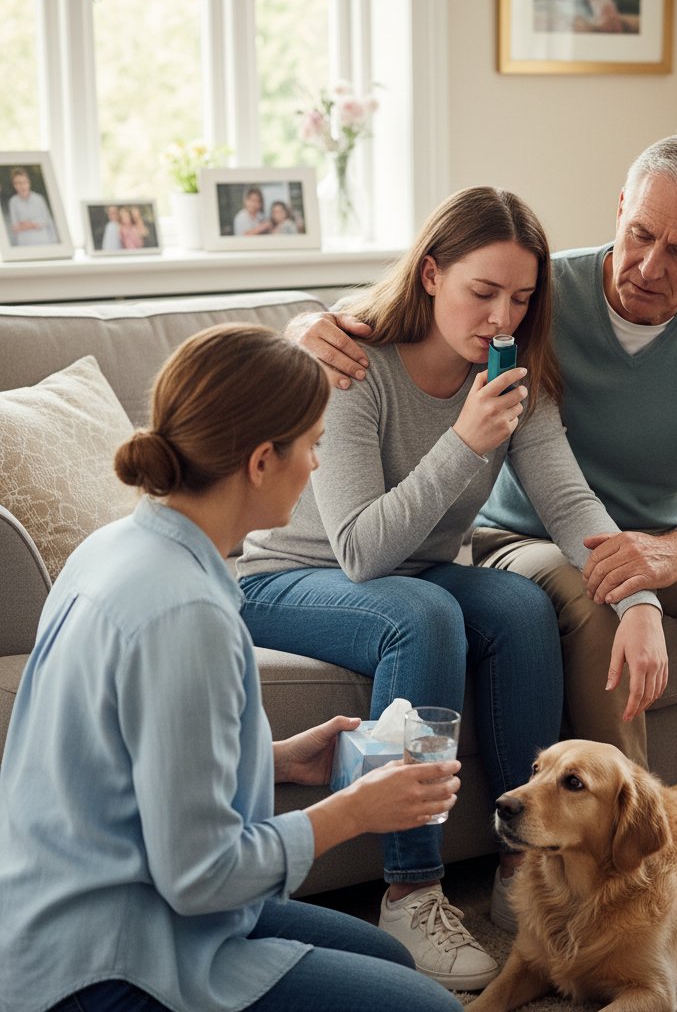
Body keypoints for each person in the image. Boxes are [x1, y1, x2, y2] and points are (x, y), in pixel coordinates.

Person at [286, 134, 677, 776]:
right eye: (640, 234)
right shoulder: (539, 296)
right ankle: (615, 860)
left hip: (664, 537)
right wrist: (304, 330)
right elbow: (393, 324)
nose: (649, 266)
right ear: (619, 211)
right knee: (590, 594)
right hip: (534, 537)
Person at [236, 186, 667, 990]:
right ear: (431, 274)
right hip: (283, 577)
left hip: (411, 572)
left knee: (522, 604)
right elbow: (362, 550)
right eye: (482, 291)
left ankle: (520, 868)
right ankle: (411, 889)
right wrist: (466, 441)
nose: (502, 317)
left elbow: (570, 503)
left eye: (521, 298)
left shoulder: (513, 376)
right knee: (425, 614)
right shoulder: (354, 368)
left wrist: (639, 599)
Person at [0, 323, 463, 1012]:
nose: (316, 465)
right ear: (261, 462)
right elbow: (201, 877)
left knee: (390, 958)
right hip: (105, 956)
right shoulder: (186, 613)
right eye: (312, 445)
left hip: (65, 906)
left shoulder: (112, 547)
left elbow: (123, 759)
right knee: (430, 1009)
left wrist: (274, 760)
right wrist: (352, 811)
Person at [6, 166, 58, 245]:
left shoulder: (39, 199)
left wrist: (26, 224)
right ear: (15, 185)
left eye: (24, 182)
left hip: (43, 242)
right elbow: (15, 227)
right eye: (19, 183)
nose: (22, 186)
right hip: (24, 244)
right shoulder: (13, 202)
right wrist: (35, 224)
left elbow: (46, 221)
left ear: (29, 183)